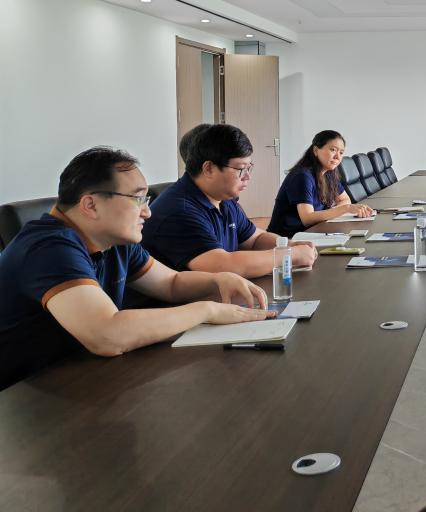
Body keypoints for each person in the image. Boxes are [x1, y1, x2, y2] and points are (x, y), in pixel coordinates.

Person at [0, 147, 271, 390]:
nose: (147, 212)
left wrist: (218, 280)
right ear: (90, 205)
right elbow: (108, 335)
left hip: (80, 375)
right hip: (23, 397)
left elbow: (171, 283)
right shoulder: (49, 248)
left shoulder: (113, 240)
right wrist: (207, 310)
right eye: (138, 199)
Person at [143, 124, 317, 277]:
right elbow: (222, 266)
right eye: (241, 169)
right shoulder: (180, 210)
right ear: (208, 169)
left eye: (249, 168)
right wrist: (288, 255)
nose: (247, 177)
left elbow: (255, 239)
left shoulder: (223, 199)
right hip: (181, 303)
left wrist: (288, 245)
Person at [268, 130, 375, 238]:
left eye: (341, 152)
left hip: (313, 231)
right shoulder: (302, 176)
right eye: (333, 150)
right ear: (315, 150)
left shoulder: (328, 174)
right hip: (287, 239)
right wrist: (345, 209)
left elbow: (345, 199)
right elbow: (307, 219)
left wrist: (334, 212)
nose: (338, 157)